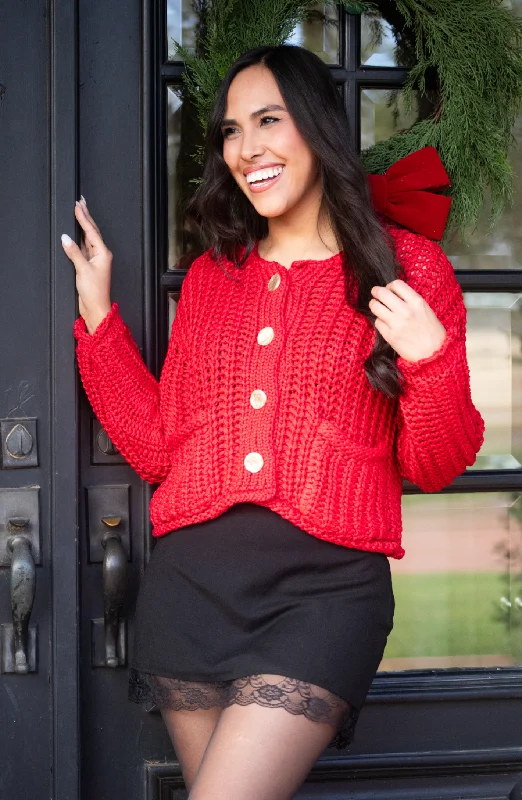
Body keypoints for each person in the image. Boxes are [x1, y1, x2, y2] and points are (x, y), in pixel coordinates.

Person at [61, 44, 484, 800]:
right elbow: (159, 448)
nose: (246, 148)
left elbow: (435, 463)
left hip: (324, 597)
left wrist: (430, 358)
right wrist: (99, 317)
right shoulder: (212, 280)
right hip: (194, 592)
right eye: (230, 130)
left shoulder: (406, 268)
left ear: (318, 129)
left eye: (268, 120)